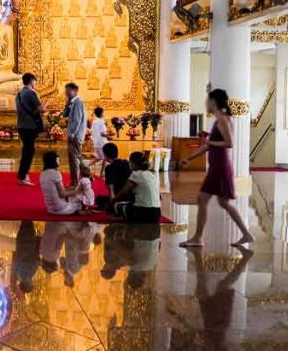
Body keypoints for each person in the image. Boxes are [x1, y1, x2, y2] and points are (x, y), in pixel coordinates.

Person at [177, 89, 256, 248]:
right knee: (223, 203)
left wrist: (210, 142)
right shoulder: (219, 120)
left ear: (214, 101)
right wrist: (189, 158)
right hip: (218, 166)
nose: (206, 103)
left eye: (208, 100)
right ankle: (246, 234)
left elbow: (229, 143)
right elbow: (208, 147)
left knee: (203, 198)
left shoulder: (223, 120)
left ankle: (198, 238)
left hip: (219, 167)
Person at [109, 151, 162, 223]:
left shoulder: (136, 174)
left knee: (117, 206)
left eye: (130, 162)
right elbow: (160, 196)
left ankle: (124, 218)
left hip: (145, 212)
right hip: (157, 213)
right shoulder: (151, 174)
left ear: (134, 163)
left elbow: (123, 193)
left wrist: (111, 202)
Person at [15, 72, 45, 186]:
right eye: (35, 81)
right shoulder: (31, 93)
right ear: (32, 81)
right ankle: (22, 176)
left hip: (21, 125)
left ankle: (24, 173)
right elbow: (40, 109)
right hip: (30, 126)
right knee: (29, 151)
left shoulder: (18, 95)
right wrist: (46, 105)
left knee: (26, 150)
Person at [39, 151, 83, 215]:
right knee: (78, 200)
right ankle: (75, 211)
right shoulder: (55, 173)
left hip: (50, 208)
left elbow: (55, 190)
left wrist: (71, 188)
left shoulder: (42, 174)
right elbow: (62, 194)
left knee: (73, 192)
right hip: (60, 208)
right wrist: (77, 191)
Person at [62, 82, 87, 185]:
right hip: (74, 134)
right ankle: (88, 177)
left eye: (69, 90)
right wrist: (67, 103)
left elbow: (77, 120)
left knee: (73, 159)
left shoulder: (78, 102)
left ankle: (74, 182)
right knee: (78, 158)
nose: (66, 93)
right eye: (66, 91)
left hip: (75, 135)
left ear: (75, 91)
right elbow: (65, 115)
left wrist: (72, 133)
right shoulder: (72, 102)